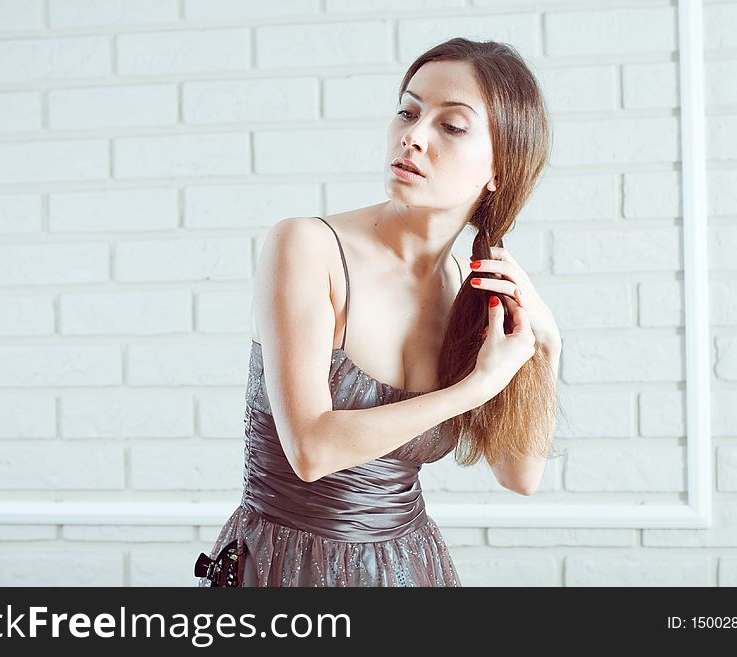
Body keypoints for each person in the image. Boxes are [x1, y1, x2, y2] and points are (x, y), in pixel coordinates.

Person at [195, 37, 564, 587]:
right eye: (408, 112)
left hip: (407, 569)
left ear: (499, 169)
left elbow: (520, 475)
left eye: (452, 126)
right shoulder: (307, 247)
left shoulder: (473, 292)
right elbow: (311, 450)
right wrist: (474, 387)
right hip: (284, 568)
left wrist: (549, 346)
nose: (413, 136)